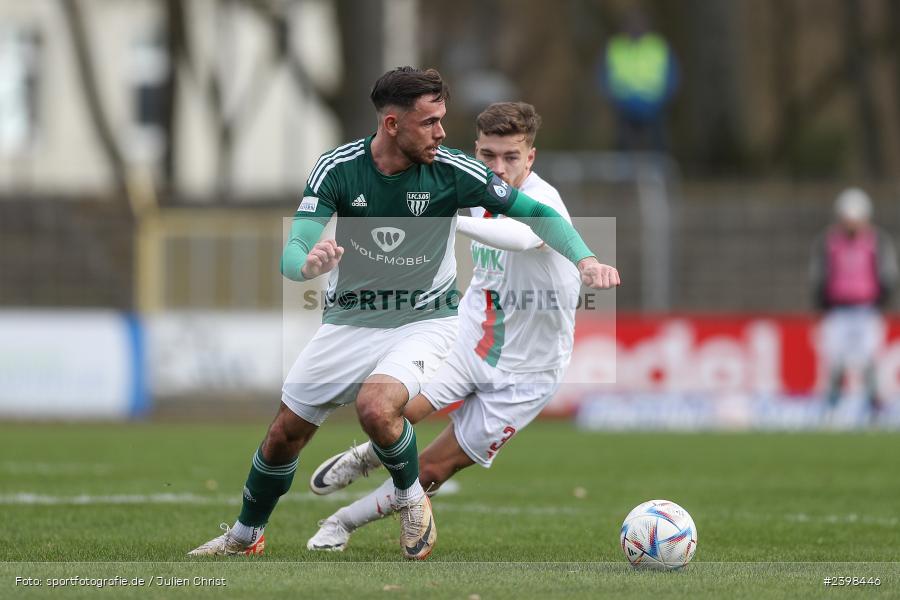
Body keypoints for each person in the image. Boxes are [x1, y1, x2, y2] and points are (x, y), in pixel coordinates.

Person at [188, 68, 619, 560]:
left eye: (443, 120)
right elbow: (294, 251)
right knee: (285, 433)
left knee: (378, 408)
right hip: (355, 320)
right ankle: (245, 537)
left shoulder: (456, 173)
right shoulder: (338, 167)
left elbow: (536, 219)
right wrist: (305, 265)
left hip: (432, 323)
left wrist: (586, 259)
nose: (441, 133)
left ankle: (404, 502)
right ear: (392, 124)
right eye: (430, 122)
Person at [305, 101, 595, 552]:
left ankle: (340, 523)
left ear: (531, 157)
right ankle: (367, 456)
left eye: (511, 157)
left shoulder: (543, 201)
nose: (498, 169)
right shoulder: (467, 185)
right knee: (395, 412)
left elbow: (523, 235)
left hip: (529, 373)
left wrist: (449, 217)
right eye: (488, 155)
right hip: (468, 339)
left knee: (433, 469)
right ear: (475, 151)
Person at [810, 188, 897, 422]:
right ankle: (831, 408)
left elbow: (887, 274)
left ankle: (874, 410)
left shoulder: (876, 241)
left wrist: (881, 298)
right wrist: (822, 300)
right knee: (835, 362)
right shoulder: (829, 242)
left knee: (869, 360)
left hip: (866, 310)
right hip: (838, 310)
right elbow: (819, 274)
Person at [598, 9, 678, 152]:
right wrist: (613, 99)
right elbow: (603, 75)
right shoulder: (616, 46)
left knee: (658, 144)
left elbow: (673, 75)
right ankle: (624, 165)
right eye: (631, 24)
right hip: (624, 105)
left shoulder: (658, 46)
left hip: (654, 105)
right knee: (623, 143)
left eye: (639, 24)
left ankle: (658, 162)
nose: (635, 28)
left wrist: (663, 99)